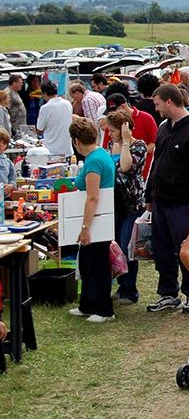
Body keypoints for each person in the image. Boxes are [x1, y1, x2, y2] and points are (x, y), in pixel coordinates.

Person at [144, 84, 189, 314]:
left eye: (158, 103)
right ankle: (167, 293)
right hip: (160, 201)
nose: (156, 108)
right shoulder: (163, 127)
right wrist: (148, 193)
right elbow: (155, 163)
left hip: (183, 203)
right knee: (162, 250)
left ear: (169, 101)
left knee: (187, 250)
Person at [67, 116, 116, 323]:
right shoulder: (98, 155)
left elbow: (93, 196)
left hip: (97, 221)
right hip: (96, 218)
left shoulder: (94, 160)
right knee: (87, 263)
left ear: (76, 141)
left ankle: (104, 309)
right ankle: (87, 303)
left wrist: (86, 226)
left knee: (97, 264)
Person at [105, 110, 147, 304]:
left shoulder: (138, 146)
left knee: (126, 245)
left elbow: (126, 166)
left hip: (132, 203)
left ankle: (130, 289)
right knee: (114, 246)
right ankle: (120, 285)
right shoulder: (109, 145)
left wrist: (125, 142)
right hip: (114, 202)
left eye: (114, 131)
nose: (110, 134)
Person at [104, 93, 158, 179]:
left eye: (114, 111)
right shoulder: (111, 127)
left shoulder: (146, 118)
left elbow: (155, 143)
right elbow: (106, 148)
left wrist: (135, 151)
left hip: (143, 174)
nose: (113, 115)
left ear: (122, 107)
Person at [35, 81, 73, 157]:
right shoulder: (68, 104)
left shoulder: (45, 108)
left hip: (51, 151)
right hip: (67, 150)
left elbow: (39, 131)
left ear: (44, 93)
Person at [0, 128, 17, 197]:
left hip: (4, 197)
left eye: (4, 143)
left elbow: (13, 178)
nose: (1, 145)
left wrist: (11, 186)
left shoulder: (8, 162)